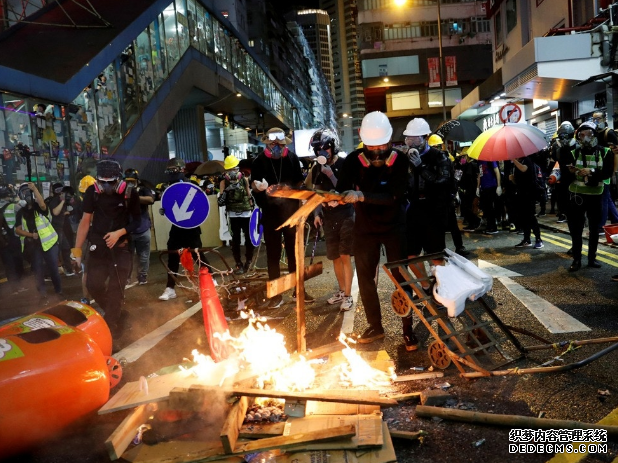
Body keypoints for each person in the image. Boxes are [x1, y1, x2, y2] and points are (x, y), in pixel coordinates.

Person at [337, 111, 416, 350]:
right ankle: (375, 326)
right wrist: (337, 198)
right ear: (363, 141)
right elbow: (342, 189)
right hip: (365, 228)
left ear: (391, 141)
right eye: (372, 147)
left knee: (401, 278)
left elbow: (394, 196)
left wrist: (361, 195)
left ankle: (408, 328)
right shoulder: (352, 161)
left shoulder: (401, 162)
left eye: (382, 145)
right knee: (365, 279)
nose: (378, 152)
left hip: (395, 226)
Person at [72, 160, 141, 338]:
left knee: (116, 290)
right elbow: (85, 222)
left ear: (119, 180)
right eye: (103, 182)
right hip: (99, 246)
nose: (107, 186)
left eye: (111, 182)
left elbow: (138, 222)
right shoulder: (91, 193)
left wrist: (119, 233)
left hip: (121, 247)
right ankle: (118, 314)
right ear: (98, 180)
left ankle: (111, 331)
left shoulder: (129, 193)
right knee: (92, 285)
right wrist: (77, 252)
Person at [251, 127, 307, 308]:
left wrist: (297, 196)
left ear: (284, 144)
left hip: (290, 212)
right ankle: (276, 294)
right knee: (273, 255)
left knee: (294, 253)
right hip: (270, 214)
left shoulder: (292, 158)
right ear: (268, 143)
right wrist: (259, 189)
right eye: (272, 143)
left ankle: (299, 290)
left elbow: (299, 182)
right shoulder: (259, 161)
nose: (276, 147)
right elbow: (254, 185)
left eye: (279, 144)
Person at [306, 128, 355, 311]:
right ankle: (342, 291)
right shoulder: (316, 167)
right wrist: (317, 214)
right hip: (328, 216)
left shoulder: (344, 163)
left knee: (344, 255)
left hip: (346, 214)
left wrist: (330, 174)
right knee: (334, 256)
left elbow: (345, 190)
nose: (321, 153)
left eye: (325, 149)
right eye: (318, 150)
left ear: (333, 148)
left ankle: (349, 296)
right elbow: (317, 193)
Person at [559, 121, 615, 271]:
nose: (585, 138)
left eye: (589, 134)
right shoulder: (574, 152)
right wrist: (571, 172)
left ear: (595, 135)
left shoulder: (605, 152)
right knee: (576, 229)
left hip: (596, 195)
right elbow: (564, 174)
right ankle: (577, 259)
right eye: (582, 135)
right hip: (577, 196)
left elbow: (607, 173)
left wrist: (591, 172)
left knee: (594, 228)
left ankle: (592, 258)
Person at [158, 158, 206, 301]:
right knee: (172, 256)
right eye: (170, 169)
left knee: (198, 256)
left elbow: (200, 204)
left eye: (175, 169)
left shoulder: (191, 184)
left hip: (192, 227)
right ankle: (170, 288)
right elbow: (172, 206)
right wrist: (165, 210)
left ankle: (210, 281)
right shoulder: (168, 187)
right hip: (177, 228)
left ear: (182, 169)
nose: (172, 172)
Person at [403, 118, 451, 258]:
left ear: (426, 138)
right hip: (412, 210)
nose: (412, 144)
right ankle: (424, 281)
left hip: (434, 211)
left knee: (435, 254)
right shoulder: (405, 159)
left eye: (416, 140)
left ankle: (439, 279)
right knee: (411, 254)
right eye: (409, 140)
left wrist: (420, 168)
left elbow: (442, 181)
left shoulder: (439, 157)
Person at [15, 182, 62, 299]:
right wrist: (31, 235)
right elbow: (18, 230)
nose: (27, 195)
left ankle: (59, 292)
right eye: (24, 193)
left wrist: (35, 189)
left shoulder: (39, 208)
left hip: (49, 244)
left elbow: (42, 204)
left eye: (28, 192)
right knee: (38, 271)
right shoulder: (21, 213)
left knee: (53, 269)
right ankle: (43, 295)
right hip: (35, 246)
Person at [219, 155, 254, 275]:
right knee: (235, 240)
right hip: (233, 214)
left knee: (248, 238)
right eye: (229, 170)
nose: (232, 172)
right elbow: (221, 202)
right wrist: (227, 190)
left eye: (234, 169)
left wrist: (251, 207)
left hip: (246, 213)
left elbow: (249, 195)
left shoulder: (245, 180)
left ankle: (248, 261)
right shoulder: (224, 182)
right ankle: (238, 263)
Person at [124, 168, 155, 286]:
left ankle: (142, 275)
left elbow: (150, 199)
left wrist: (135, 196)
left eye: (132, 180)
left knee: (143, 255)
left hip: (143, 227)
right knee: (127, 256)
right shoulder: (123, 191)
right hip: (128, 229)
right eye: (127, 181)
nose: (129, 183)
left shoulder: (143, 189)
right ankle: (126, 276)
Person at [591, 112, 618, 235]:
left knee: (604, 197)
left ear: (603, 119)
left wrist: (614, 172)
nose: (596, 121)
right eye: (594, 119)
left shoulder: (610, 133)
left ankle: (601, 226)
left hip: (609, 169)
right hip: (599, 168)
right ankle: (616, 220)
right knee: (606, 197)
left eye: (598, 118)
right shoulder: (595, 133)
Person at [511, 154, 543, 250]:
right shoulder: (518, 163)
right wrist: (512, 179)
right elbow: (518, 181)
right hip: (521, 194)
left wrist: (514, 160)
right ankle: (526, 239)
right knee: (523, 218)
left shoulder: (527, 160)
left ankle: (539, 239)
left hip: (529, 194)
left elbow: (524, 169)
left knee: (530, 217)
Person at [46, 182, 75, 276]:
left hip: (60, 228)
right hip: (54, 229)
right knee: (56, 251)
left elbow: (73, 204)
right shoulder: (55, 200)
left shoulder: (62, 200)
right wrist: (62, 201)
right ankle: (49, 273)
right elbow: (55, 212)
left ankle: (68, 269)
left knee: (66, 248)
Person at [0, 185, 25, 285]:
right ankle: (21, 284)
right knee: (17, 261)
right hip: (14, 238)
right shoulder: (14, 206)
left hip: (2, 240)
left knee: (8, 264)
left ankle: (13, 286)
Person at [477, 160, 502, 234]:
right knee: (486, 208)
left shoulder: (490, 160)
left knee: (490, 208)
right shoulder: (479, 162)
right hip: (484, 187)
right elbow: (480, 174)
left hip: (492, 186)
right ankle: (489, 226)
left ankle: (493, 227)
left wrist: (499, 185)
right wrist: (478, 187)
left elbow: (497, 171)